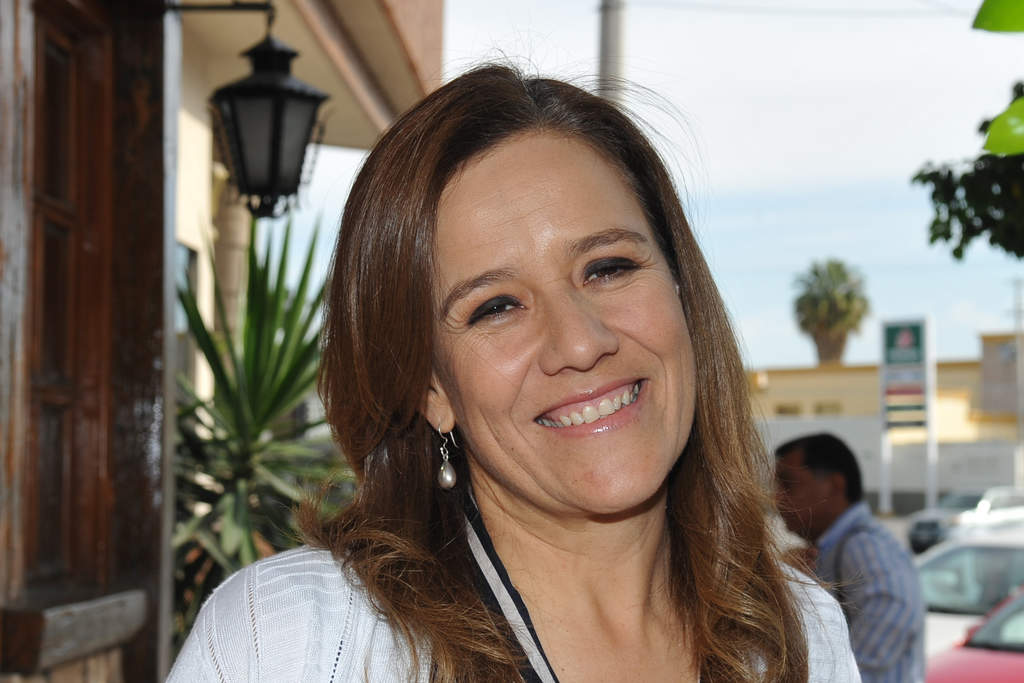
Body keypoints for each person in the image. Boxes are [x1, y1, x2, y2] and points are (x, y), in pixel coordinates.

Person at [169, 65, 859, 682]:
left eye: (608, 267)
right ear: (430, 389)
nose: (580, 342)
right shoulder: (297, 641)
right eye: (495, 306)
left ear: (682, 291)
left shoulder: (801, 636)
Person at [775, 433, 924, 683]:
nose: (777, 498)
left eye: (788, 485)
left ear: (835, 485)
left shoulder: (864, 547)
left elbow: (870, 656)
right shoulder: (839, 546)